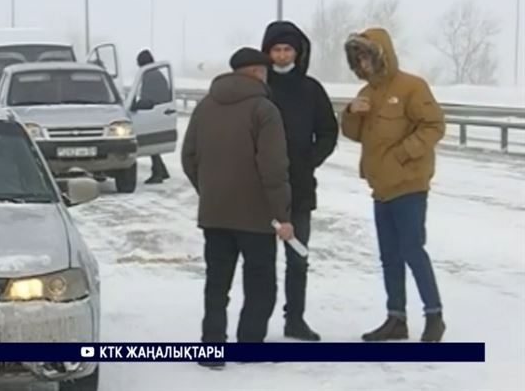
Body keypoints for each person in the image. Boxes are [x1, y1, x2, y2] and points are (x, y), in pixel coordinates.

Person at [182, 47, 294, 368]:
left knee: (217, 283)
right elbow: (273, 168)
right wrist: (282, 215)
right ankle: (249, 346)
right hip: (257, 217)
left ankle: (212, 348)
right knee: (260, 284)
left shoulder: (205, 106)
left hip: (215, 214)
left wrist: (209, 191)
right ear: (259, 72)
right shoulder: (264, 109)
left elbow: (188, 157)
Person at [341, 28, 447, 343]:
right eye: (357, 58)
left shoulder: (412, 87)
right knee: (389, 255)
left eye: (367, 56)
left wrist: (403, 155)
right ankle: (396, 318)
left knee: (412, 250)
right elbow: (354, 134)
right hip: (381, 187)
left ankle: (434, 316)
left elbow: (434, 125)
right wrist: (350, 112)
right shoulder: (367, 93)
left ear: (381, 55)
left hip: (409, 185)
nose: (363, 63)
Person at [260, 21, 339, 341]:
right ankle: (256, 324)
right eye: (276, 50)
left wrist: (309, 161)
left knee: (298, 257)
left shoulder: (311, 89)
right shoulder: (260, 87)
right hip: (262, 188)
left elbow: (328, 131)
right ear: (268, 52)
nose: (281, 56)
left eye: (287, 49)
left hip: (300, 188)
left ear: (298, 52)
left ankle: (295, 320)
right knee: (262, 261)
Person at [136, 49, 171, 184]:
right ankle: (161, 170)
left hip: (153, 111)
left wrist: (140, 104)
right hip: (159, 110)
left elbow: (147, 96)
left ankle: (158, 172)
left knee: (150, 143)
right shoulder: (156, 74)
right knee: (153, 144)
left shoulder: (149, 75)